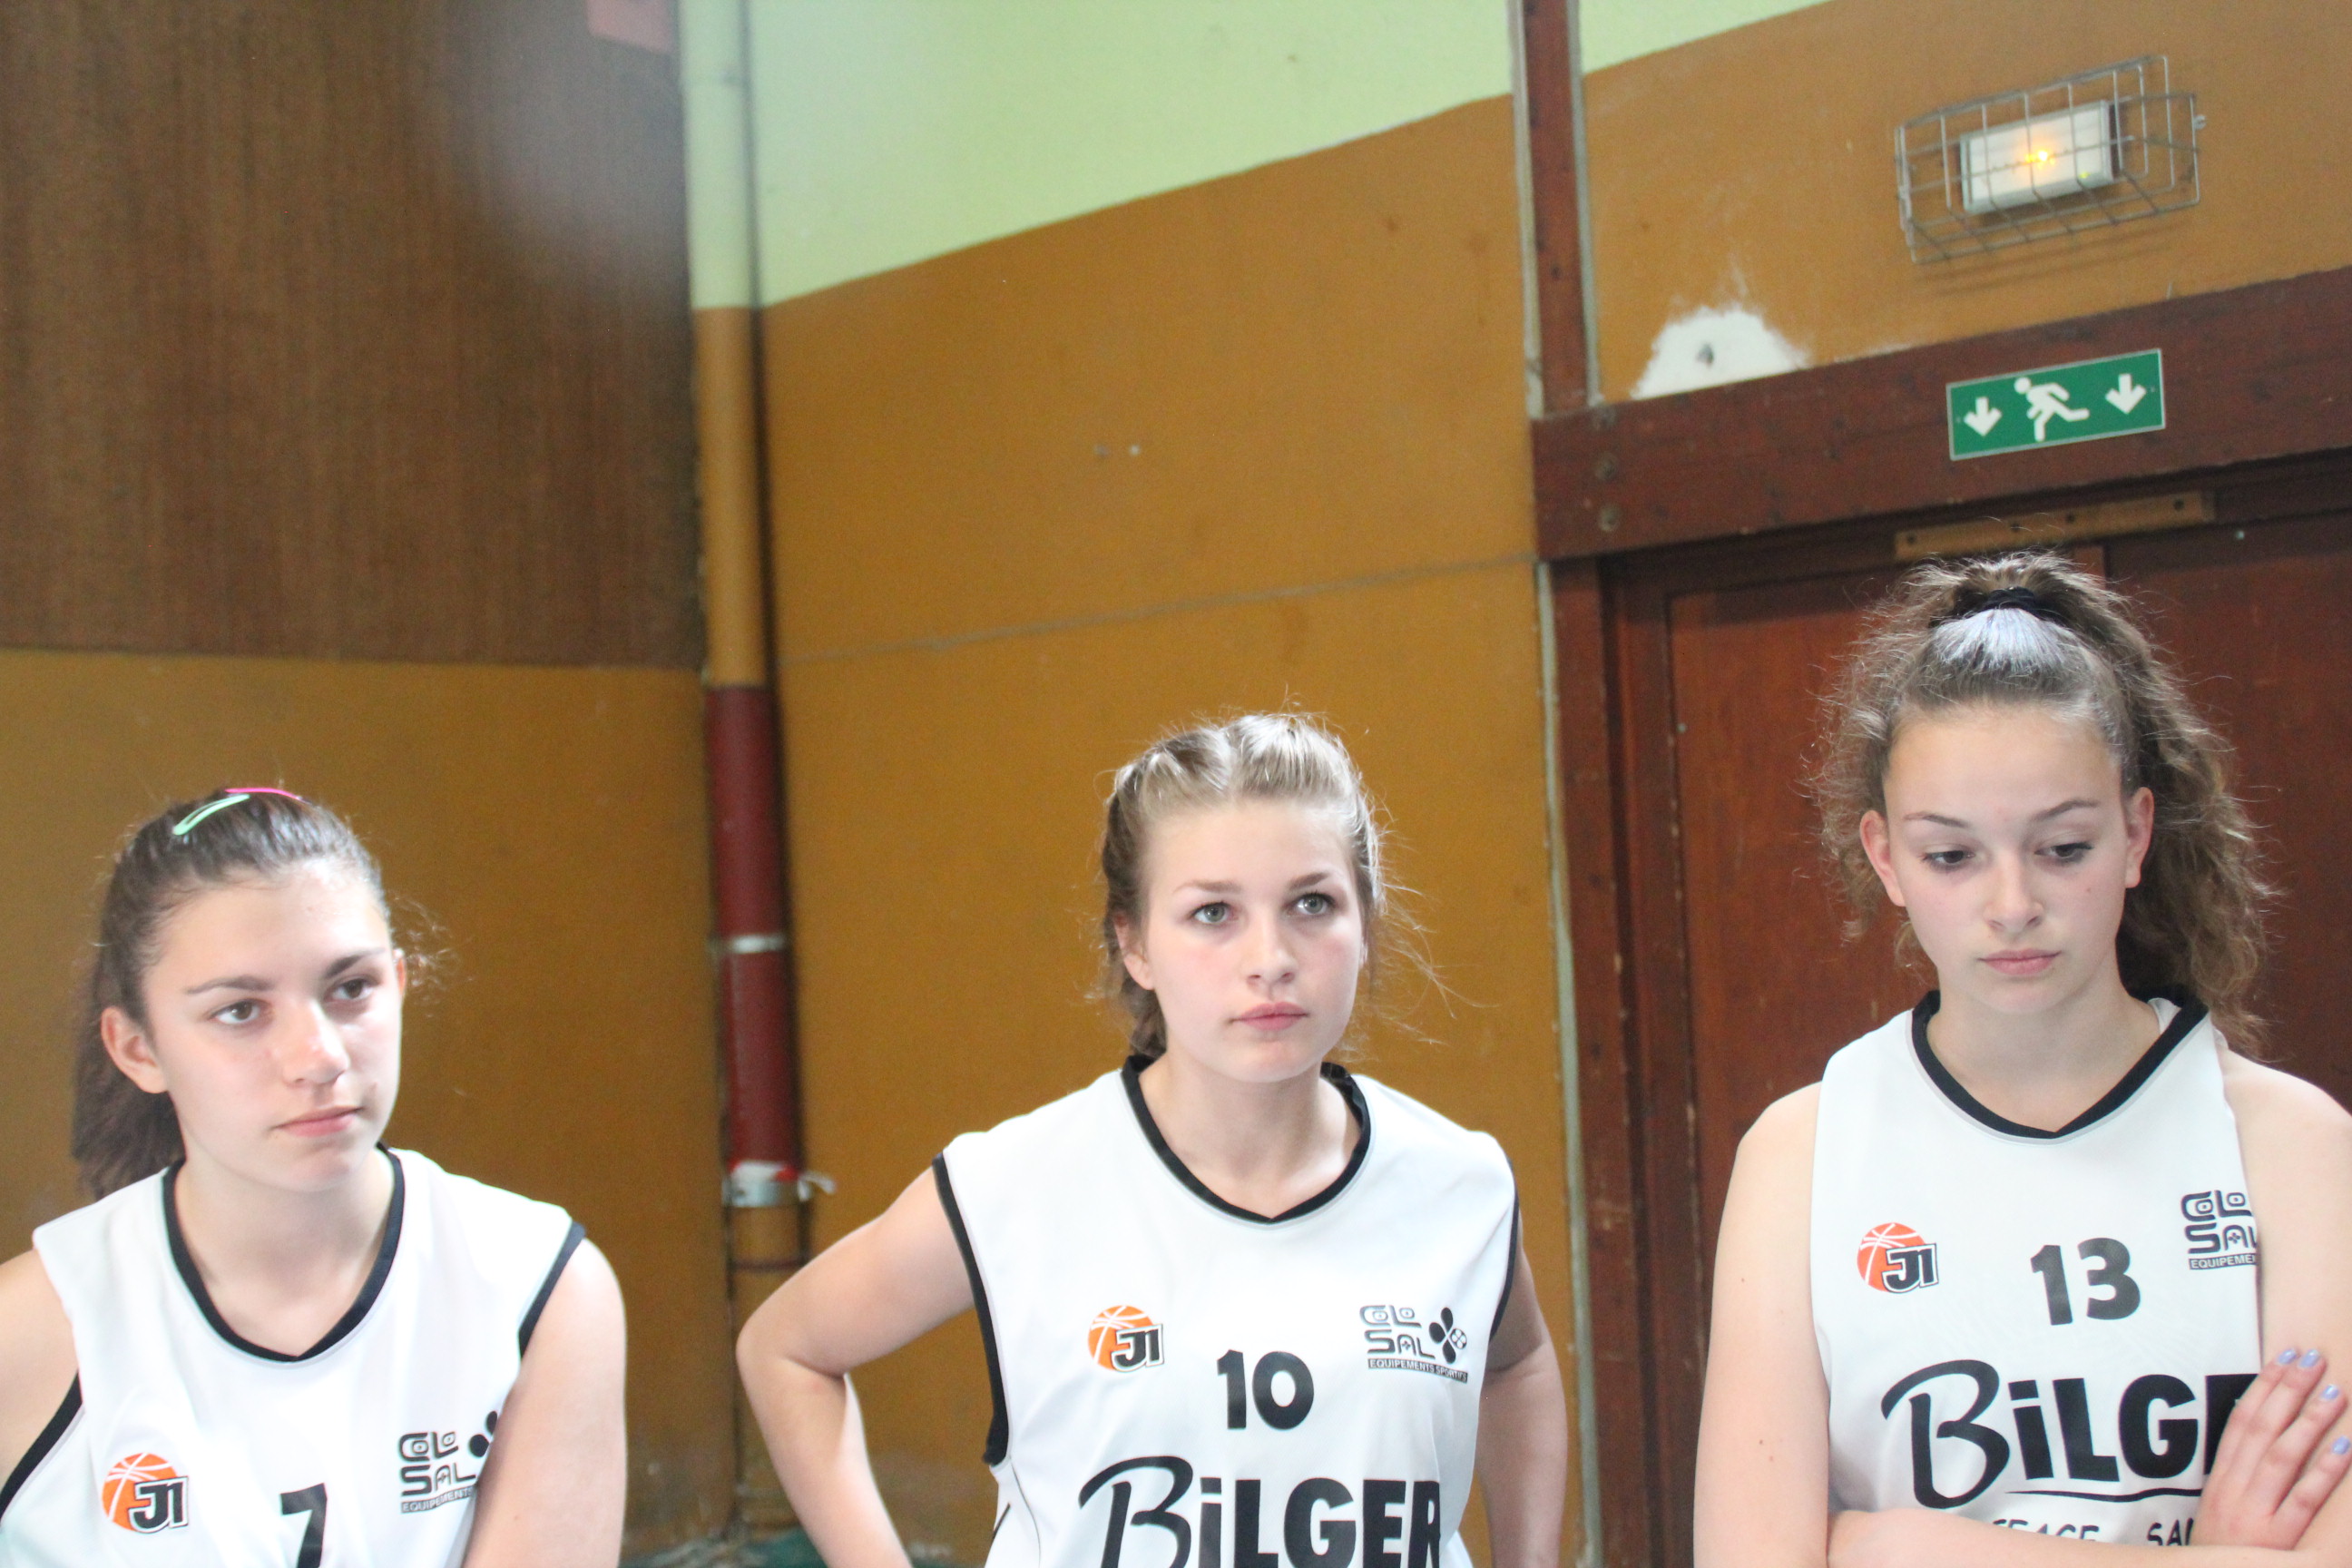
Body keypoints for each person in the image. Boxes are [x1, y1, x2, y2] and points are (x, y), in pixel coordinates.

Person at [739, 714, 1567, 1568]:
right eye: (1213, 913)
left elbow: (1518, 1366)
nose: (1271, 957)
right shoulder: (1016, 1187)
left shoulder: (1459, 1185)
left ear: (1366, 923)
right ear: (1133, 943)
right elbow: (787, 1349)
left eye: (1312, 903)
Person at [1693, 554, 2352, 1568]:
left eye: (2063, 848)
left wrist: (1897, 1550)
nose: (2012, 905)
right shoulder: (1803, 1153)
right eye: (1952, 856)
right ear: (1886, 858)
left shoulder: (2294, 1146)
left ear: (2136, 833)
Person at [0, 789, 625, 1566]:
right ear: (137, 1049)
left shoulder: (538, 1287)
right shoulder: (30, 1332)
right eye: (240, 1010)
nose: (320, 1056)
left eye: (351, 988)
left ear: (400, 983)